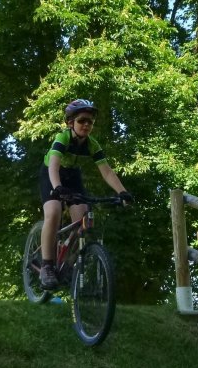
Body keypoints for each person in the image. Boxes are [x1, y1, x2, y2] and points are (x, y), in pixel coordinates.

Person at [38, 98, 132, 290]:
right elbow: (54, 165)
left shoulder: (92, 144)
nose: (87, 125)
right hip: (51, 174)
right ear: (70, 122)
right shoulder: (62, 138)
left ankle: (68, 260)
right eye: (82, 120)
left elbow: (106, 171)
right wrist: (57, 188)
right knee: (54, 212)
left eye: (90, 121)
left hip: (72, 176)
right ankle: (46, 266)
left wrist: (122, 192)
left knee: (84, 221)